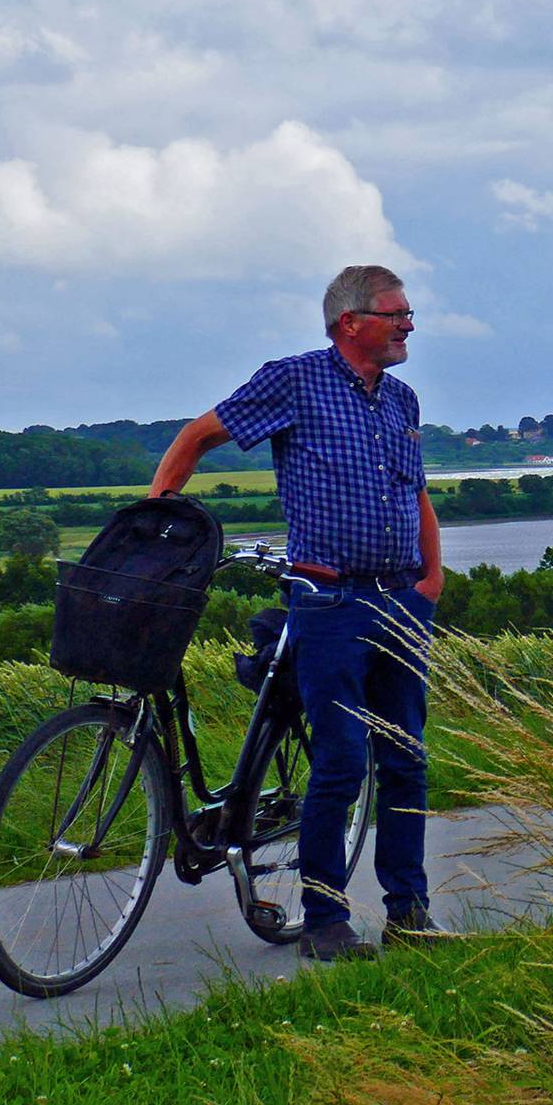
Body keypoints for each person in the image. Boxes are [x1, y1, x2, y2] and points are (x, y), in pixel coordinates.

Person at [150, 265, 445, 962]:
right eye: (396, 313)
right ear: (352, 322)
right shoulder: (295, 380)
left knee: (405, 758)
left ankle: (409, 911)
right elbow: (198, 435)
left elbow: (418, 495)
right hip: (329, 600)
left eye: (408, 314)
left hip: (401, 598)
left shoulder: (401, 399)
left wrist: (431, 580)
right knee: (341, 759)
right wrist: (155, 522)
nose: (408, 325)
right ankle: (324, 921)